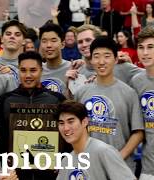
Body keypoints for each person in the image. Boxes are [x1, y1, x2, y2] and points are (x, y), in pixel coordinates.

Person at [0, 51, 67, 180]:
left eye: (33, 70)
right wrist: (5, 162)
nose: (28, 75)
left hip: (49, 173)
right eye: (23, 70)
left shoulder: (57, 100)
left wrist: (63, 160)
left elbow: (68, 133)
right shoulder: (5, 100)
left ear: (41, 71)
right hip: (15, 174)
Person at [74, 36, 144, 172]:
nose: (101, 62)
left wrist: (118, 157)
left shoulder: (129, 93)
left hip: (121, 167)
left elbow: (138, 132)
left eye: (107, 56)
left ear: (116, 59)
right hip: (89, 167)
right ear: (91, 60)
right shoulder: (81, 92)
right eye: (96, 56)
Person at [55, 100, 136, 179]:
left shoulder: (103, 151)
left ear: (84, 122)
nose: (66, 128)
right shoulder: (66, 161)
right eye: (61, 123)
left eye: (71, 122)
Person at [130, 26, 154, 180]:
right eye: (141, 47)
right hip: (148, 168)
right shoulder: (136, 81)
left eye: (150, 47)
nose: (145, 53)